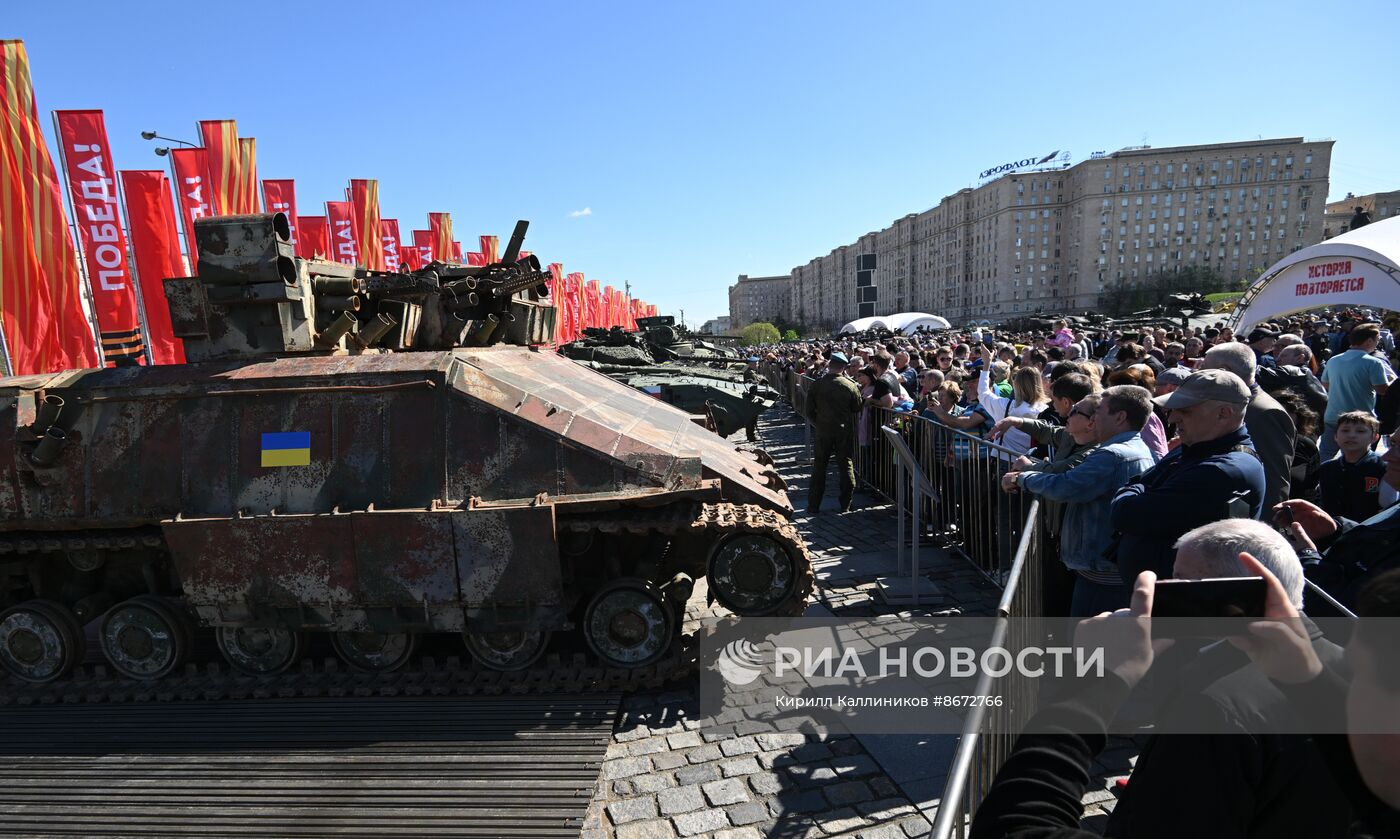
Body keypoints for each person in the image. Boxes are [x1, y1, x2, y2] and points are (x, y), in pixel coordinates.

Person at [969, 563, 1400, 839]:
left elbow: (1013, 826)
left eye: (1355, 671)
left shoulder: (1219, 712)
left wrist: (1099, 680)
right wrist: (1308, 681)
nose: (1340, 675)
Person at [1104, 518, 1353, 839]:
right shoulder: (1352, 669)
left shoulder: (1211, 703)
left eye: (1181, 580)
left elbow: (1168, 821)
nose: (1166, 588)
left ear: (1233, 592)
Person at [1004, 386, 1157, 616]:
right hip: (1107, 565)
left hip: (1101, 571)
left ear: (1120, 417)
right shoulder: (1135, 448)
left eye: (1100, 412)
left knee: (1091, 642)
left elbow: (1065, 486)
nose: (1094, 418)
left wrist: (1023, 478)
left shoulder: (1112, 455)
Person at [1110, 370, 1266, 583]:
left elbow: (1126, 513)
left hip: (1178, 604)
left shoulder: (1221, 470)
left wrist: (1133, 491)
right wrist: (1136, 490)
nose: (1173, 417)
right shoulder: (1194, 447)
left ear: (1224, 413)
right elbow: (1137, 486)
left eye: (1185, 411)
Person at [1199, 342, 1296, 513]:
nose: (1200, 373)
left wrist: (1263, 530)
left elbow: (1273, 480)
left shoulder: (1263, 412)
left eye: (1205, 368)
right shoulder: (1238, 404)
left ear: (1224, 371)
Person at [1321, 323, 1392, 461]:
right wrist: (1391, 381)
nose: (1377, 345)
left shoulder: (1333, 360)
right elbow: (1382, 390)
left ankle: (1323, 481)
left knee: (1325, 455)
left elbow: (1325, 383)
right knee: (1359, 458)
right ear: (1369, 341)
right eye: (1377, 341)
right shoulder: (1373, 363)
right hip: (1360, 420)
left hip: (1332, 416)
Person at [805, 353, 862, 513]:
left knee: (819, 467)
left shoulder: (817, 385)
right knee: (846, 466)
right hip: (843, 431)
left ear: (830, 366)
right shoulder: (850, 385)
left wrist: (820, 423)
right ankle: (846, 504)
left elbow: (809, 410)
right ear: (844, 367)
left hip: (823, 431)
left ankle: (813, 505)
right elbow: (857, 407)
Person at [977, 344, 1049, 457]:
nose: (1020, 366)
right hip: (1030, 463)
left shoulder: (1008, 406)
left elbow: (983, 393)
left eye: (1024, 364)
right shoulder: (1046, 409)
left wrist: (986, 364)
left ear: (1016, 384)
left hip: (1004, 460)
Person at [1317, 411, 1387, 523]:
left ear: (1374, 437)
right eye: (1345, 430)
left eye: (1360, 431)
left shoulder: (1383, 467)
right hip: (1333, 529)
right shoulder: (1327, 468)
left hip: (1369, 530)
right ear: (1335, 436)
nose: (1351, 435)